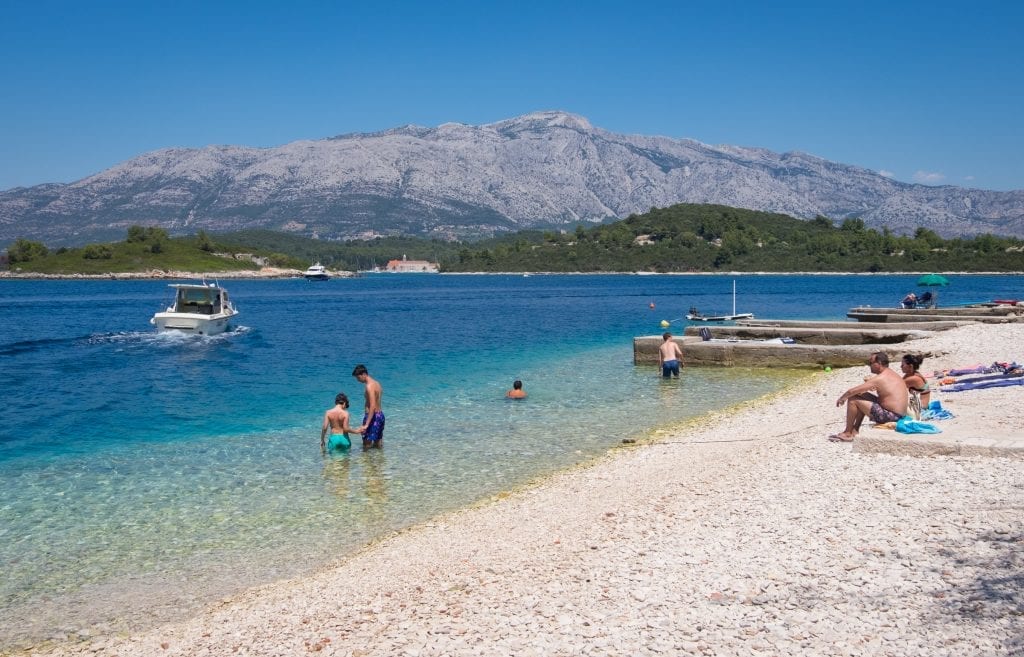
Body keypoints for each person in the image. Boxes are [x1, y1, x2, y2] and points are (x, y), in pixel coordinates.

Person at [830, 351, 909, 442]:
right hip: (898, 414)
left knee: (853, 400)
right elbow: (860, 391)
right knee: (860, 395)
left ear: (878, 363)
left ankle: (847, 432)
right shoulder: (891, 374)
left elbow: (852, 391)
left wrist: (842, 398)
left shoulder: (880, 378)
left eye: (871, 363)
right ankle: (855, 431)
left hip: (891, 416)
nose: (869, 365)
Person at [352, 364, 385, 448]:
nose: (358, 380)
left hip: (372, 417)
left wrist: (367, 424)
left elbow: (372, 405)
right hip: (380, 415)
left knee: (366, 445)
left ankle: (367, 461)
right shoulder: (377, 383)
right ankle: (379, 460)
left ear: (364, 374)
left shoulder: (369, 386)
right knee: (378, 444)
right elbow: (379, 398)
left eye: (358, 378)